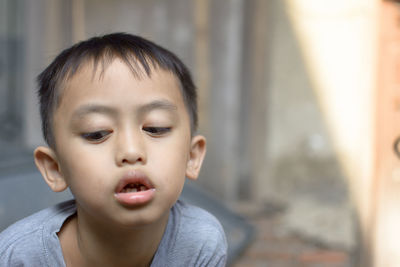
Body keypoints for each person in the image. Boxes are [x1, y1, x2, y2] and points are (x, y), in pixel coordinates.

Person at [0, 33, 227, 266]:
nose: (130, 151)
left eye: (156, 128)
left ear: (192, 157)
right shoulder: (19, 256)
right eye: (97, 133)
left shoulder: (199, 242)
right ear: (55, 168)